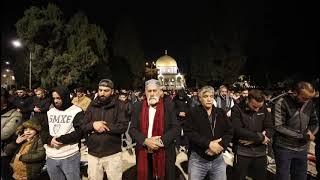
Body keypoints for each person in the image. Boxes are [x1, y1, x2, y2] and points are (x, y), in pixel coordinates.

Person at [129, 79, 180, 180]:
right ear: (145, 92)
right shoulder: (137, 106)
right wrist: (145, 141)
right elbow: (132, 129)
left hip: (165, 151)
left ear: (160, 92)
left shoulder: (169, 106)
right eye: (149, 91)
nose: (152, 94)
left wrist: (160, 141)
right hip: (144, 151)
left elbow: (176, 128)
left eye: (155, 90)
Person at [81, 79, 129, 180]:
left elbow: (123, 126)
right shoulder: (92, 105)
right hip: (93, 153)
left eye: (106, 90)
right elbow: (83, 125)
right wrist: (93, 125)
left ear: (112, 91)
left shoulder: (120, 105)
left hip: (112, 154)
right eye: (100, 90)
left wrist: (104, 127)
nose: (102, 93)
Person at [184, 86, 233, 180]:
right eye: (206, 96)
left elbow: (229, 131)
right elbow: (189, 132)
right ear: (200, 98)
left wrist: (220, 145)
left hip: (218, 159)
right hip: (198, 159)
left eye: (211, 96)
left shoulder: (221, 113)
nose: (209, 99)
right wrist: (209, 144)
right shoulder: (193, 113)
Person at [273, 81, 318, 180]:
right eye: (304, 98)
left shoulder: (309, 103)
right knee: (283, 177)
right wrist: (303, 136)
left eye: (310, 98)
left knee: (301, 177)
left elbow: (314, 122)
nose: (307, 101)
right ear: (295, 93)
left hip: (302, 148)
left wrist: (311, 132)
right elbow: (279, 126)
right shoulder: (282, 102)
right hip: (284, 147)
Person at [40, 86, 84, 180]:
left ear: (65, 97)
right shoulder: (50, 111)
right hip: (51, 156)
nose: (56, 101)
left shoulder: (76, 111)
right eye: (54, 98)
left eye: (58, 98)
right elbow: (43, 130)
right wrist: (49, 139)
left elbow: (80, 132)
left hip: (70, 156)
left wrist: (60, 139)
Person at [231, 89, 274, 180]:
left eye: (259, 107)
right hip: (242, 151)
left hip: (260, 152)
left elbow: (270, 128)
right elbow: (238, 130)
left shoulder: (264, 109)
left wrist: (256, 139)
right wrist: (261, 137)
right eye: (254, 107)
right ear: (247, 100)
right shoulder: (237, 109)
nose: (257, 109)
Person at [1, 87, 23, 180]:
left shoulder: (15, 115)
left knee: (6, 175)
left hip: (5, 152)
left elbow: (4, 134)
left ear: (4, 99)